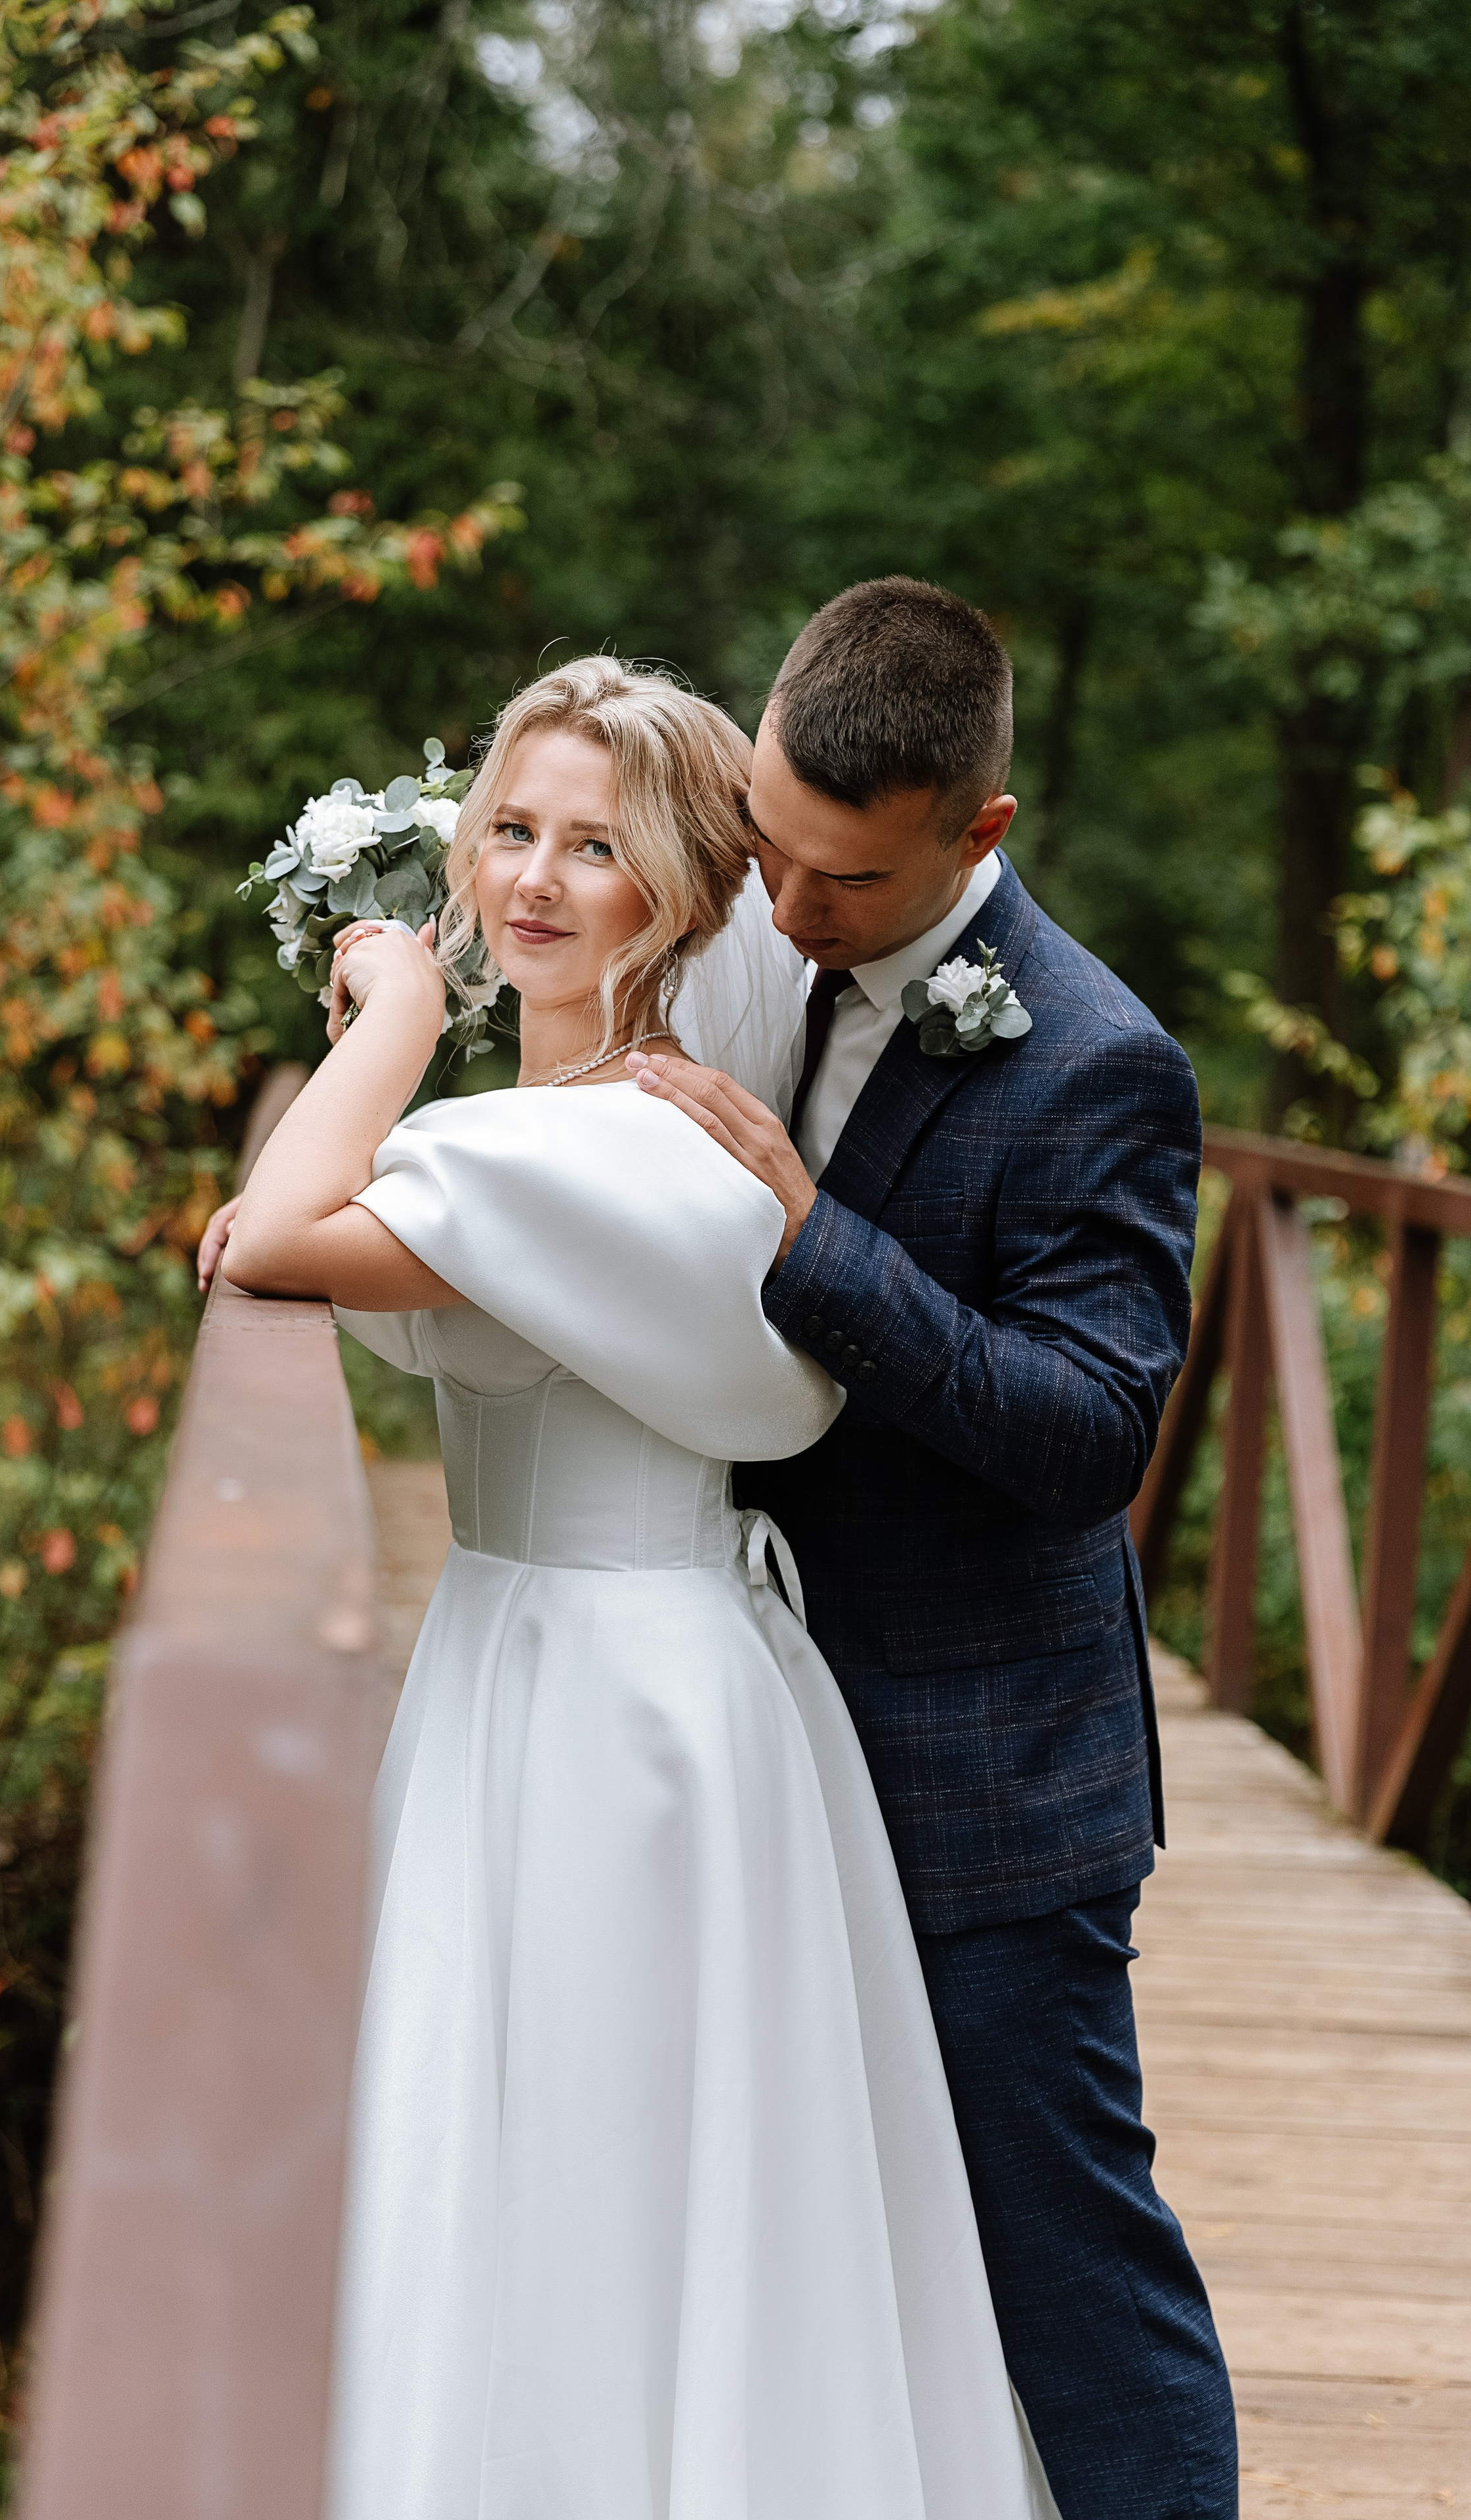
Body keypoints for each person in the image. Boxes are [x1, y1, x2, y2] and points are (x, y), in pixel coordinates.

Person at [220, 656, 1059, 2519]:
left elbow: (268, 1237)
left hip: (598, 1699)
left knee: (593, 2154)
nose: (530, 878)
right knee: (605, 2155)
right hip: (605, 1665)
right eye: (508, 830)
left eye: (593, 847)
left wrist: (392, 1010)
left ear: (679, 897)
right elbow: (308, 1238)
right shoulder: (616, 1132)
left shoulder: (587, 1144)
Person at [629, 577, 1239, 2520]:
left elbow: (1090, 1435)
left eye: (847, 886)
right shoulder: (764, 943)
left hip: (990, 1785)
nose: (790, 915)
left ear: (980, 833)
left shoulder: (1098, 1064)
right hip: (771, 1742)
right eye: (773, 857)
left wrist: (817, 1240)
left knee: (1068, 2269)